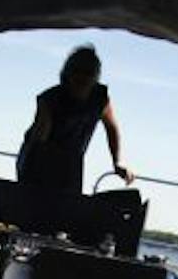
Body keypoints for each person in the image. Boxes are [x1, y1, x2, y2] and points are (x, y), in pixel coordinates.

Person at [16, 44, 133, 195]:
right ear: (68, 73)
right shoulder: (50, 100)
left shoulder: (100, 98)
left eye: (89, 73)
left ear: (95, 76)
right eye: (77, 71)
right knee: (37, 203)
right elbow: (38, 142)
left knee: (66, 209)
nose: (82, 77)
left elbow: (111, 128)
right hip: (38, 157)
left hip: (72, 161)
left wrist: (117, 162)